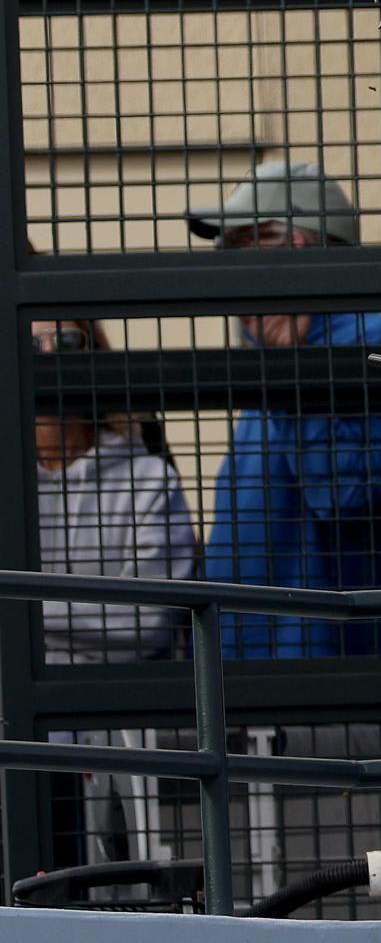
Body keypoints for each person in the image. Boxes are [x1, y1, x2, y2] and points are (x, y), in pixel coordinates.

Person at [185, 159, 381, 658]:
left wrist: (291, 370)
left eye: (237, 245)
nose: (222, 263)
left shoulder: (374, 340)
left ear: (293, 245)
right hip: (244, 662)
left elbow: (345, 491)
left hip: (330, 665)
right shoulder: (267, 349)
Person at [34, 316, 196, 868]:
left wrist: (23, 611)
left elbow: (147, 623)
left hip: (112, 719)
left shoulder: (147, 476)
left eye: (66, 340)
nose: (49, 354)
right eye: (32, 342)